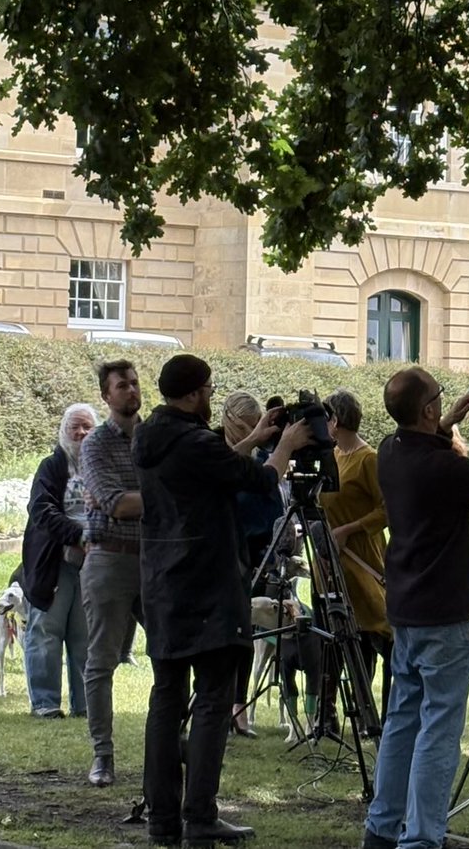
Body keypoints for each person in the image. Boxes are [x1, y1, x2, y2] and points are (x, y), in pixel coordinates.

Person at [133, 354, 311, 847]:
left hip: (163, 584)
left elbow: (216, 462)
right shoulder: (194, 443)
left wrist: (255, 438)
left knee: (166, 701)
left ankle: (163, 819)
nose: (212, 395)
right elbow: (257, 479)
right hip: (207, 584)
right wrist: (286, 448)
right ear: (192, 394)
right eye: (209, 388)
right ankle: (200, 816)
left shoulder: (152, 438)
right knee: (213, 700)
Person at [363, 368, 469, 849]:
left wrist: (449, 420)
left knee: (402, 723)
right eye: (438, 399)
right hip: (445, 616)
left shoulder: (389, 452)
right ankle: (421, 838)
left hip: (407, 610)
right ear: (427, 410)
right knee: (437, 733)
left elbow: (425, 448)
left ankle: (381, 827)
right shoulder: (444, 469)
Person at [79, 359, 144, 788]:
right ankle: (103, 755)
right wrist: (171, 494)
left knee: (173, 655)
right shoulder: (96, 444)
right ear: (106, 396)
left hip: (156, 558)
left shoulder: (156, 437)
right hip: (109, 557)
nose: (131, 391)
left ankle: (169, 750)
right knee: (101, 661)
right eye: (122, 386)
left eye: (135, 383)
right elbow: (115, 502)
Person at [318, 389, 391, 723]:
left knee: (370, 630)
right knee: (331, 634)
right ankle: (327, 712)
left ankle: (370, 712)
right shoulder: (329, 456)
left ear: (336, 420)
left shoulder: (369, 460)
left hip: (361, 557)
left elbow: (388, 509)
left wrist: (350, 529)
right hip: (330, 561)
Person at [20, 403, 96, 721]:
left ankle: (84, 704)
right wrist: (78, 536)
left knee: (85, 636)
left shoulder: (101, 467)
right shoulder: (51, 467)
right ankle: (45, 702)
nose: (80, 433)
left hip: (93, 564)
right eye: (73, 427)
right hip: (55, 561)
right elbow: (41, 510)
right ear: (63, 431)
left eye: (87, 427)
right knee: (45, 630)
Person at [220, 391, 284, 738]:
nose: (254, 432)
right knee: (229, 633)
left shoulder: (265, 459)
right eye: (246, 426)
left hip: (262, 551)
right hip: (228, 553)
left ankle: (239, 708)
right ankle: (221, 705)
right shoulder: (217, 450)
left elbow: (272, 500)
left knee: (249, 633)